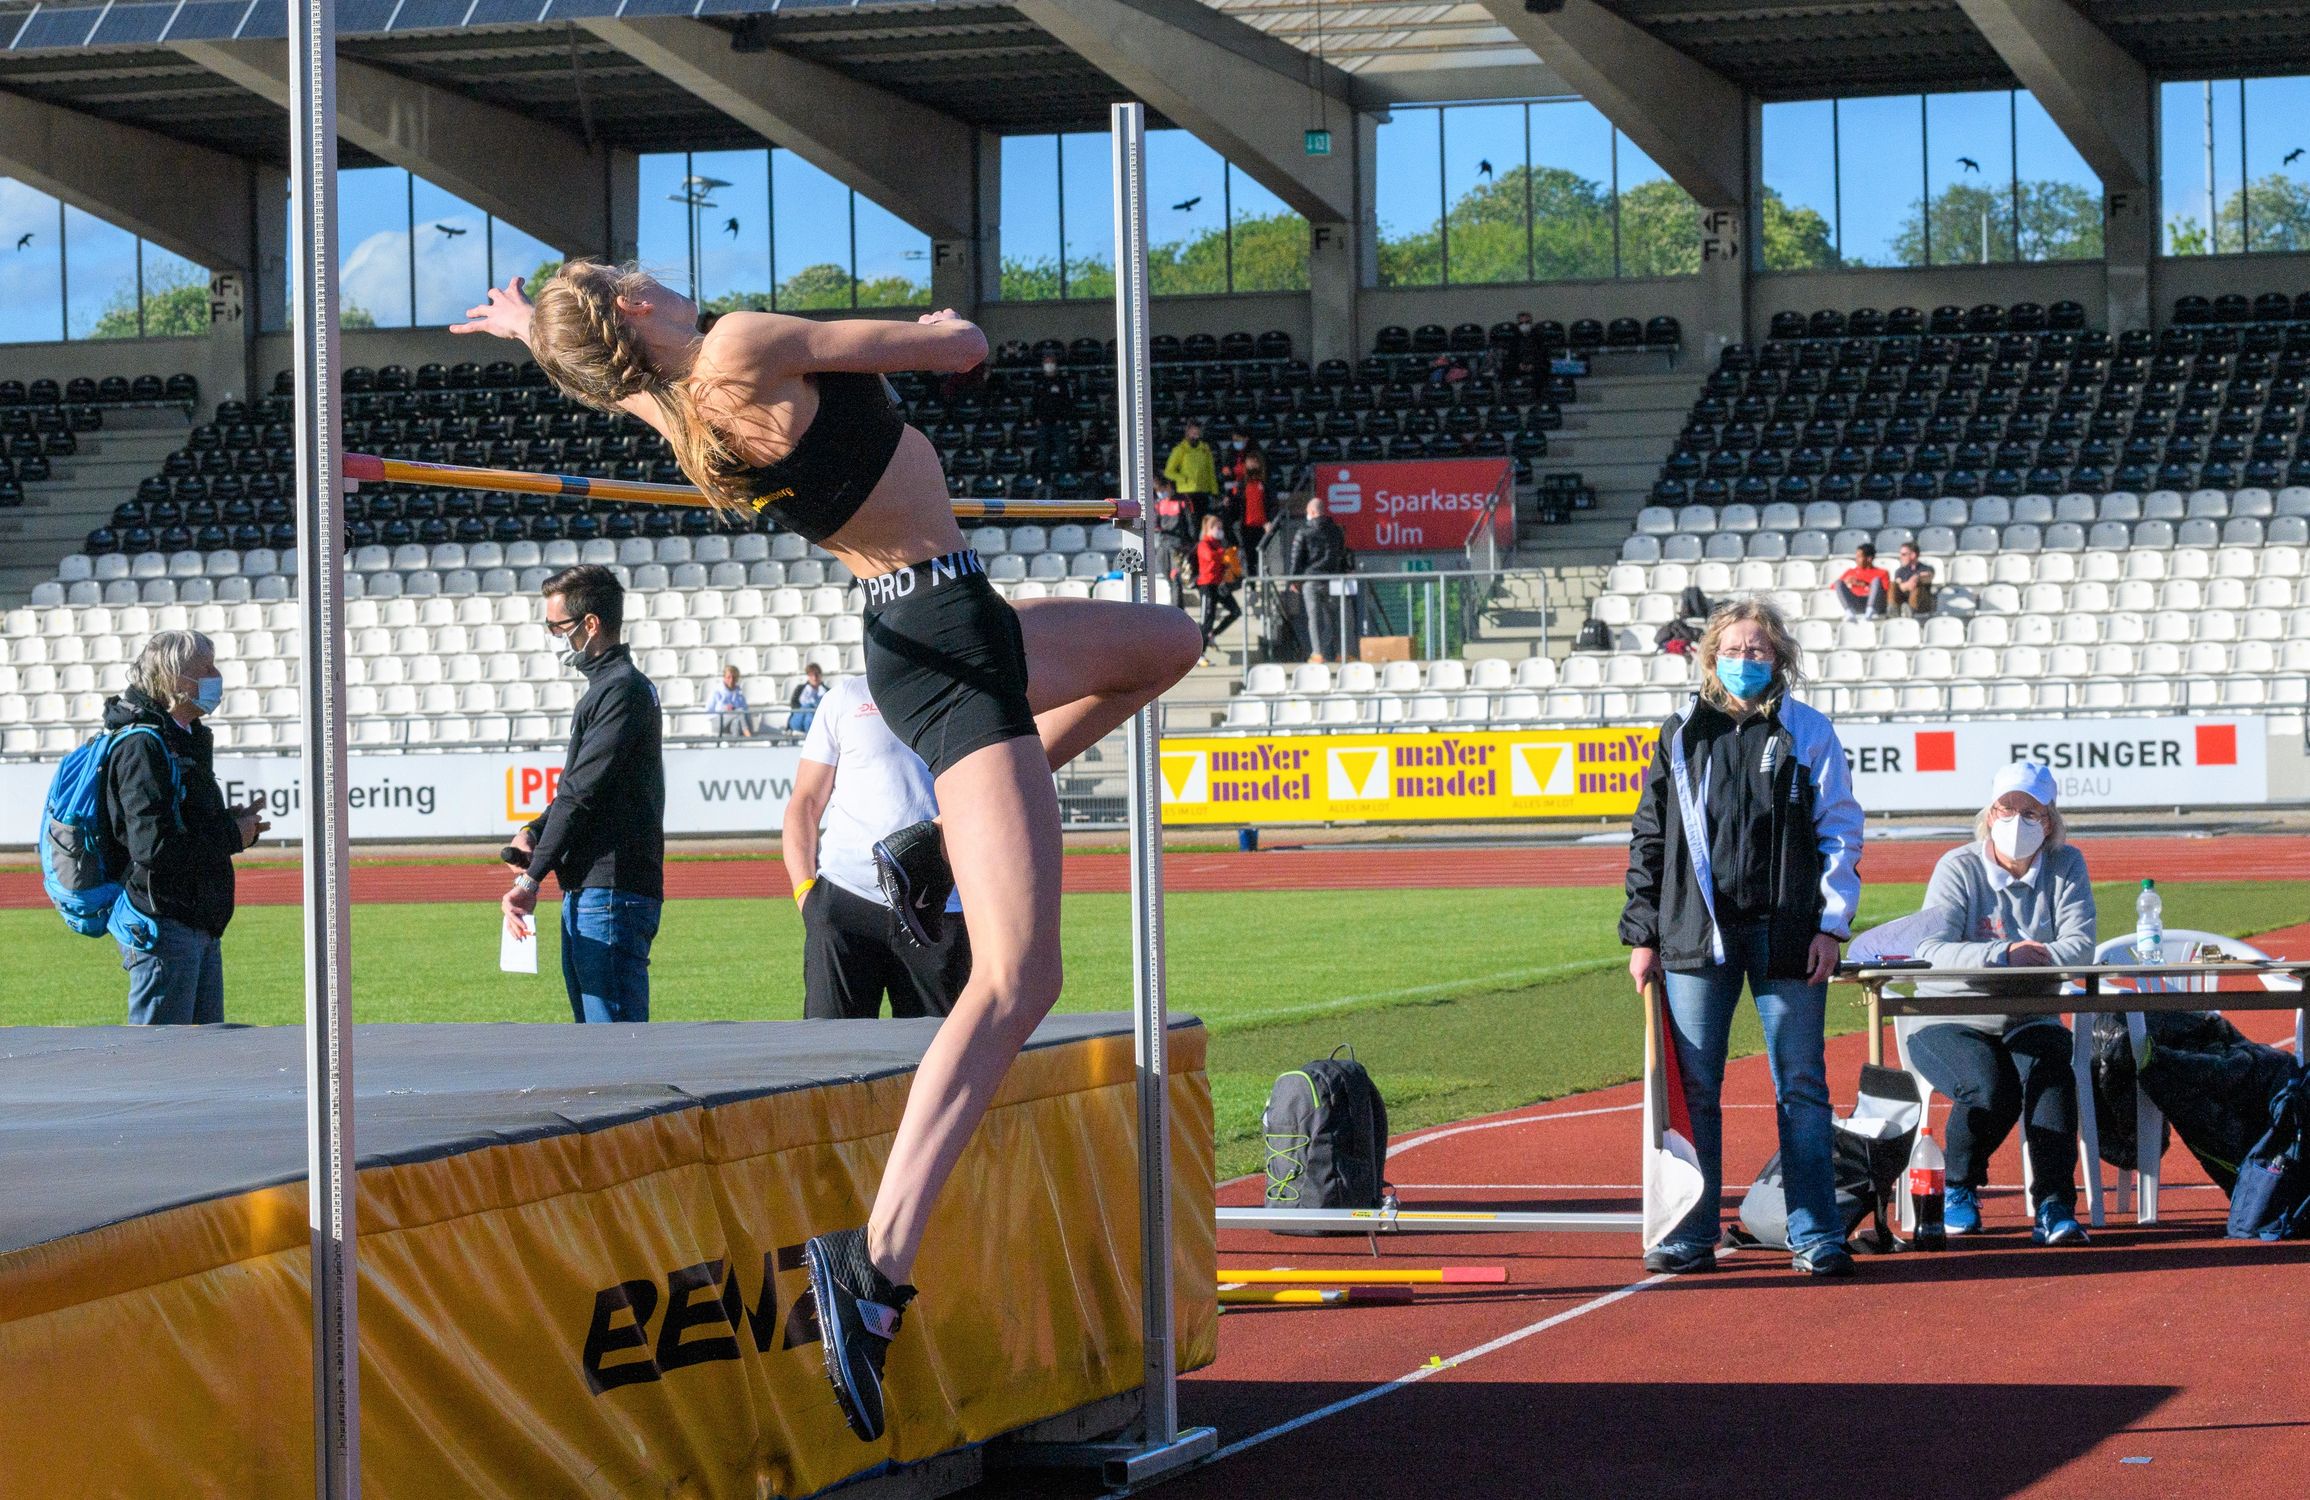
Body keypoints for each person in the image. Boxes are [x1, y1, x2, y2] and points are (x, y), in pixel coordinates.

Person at [458, 264, 1197, 1443]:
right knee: (1019, 980)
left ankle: (939, 839)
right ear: (630, 308)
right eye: (628, 272)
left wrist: (529, 336)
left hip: (948, 623)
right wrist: (943, 322)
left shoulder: (689, 400)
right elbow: (956, 348)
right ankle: (874, 1267)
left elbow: (621, 391)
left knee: (1168, 643)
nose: (654, 272)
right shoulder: (742, 345)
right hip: (945, 637)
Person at [1621, 598, 1865, 1278]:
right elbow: (1650, 837)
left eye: (1757, 649)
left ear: (1779, 656)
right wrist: (1643, 934)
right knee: (1695, 1090)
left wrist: (1830, 925)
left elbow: (1840, 829)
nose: (1745, 659)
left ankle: (1816, 1234)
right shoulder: (1681, 732)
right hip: (1696, 935)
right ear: (1710, 657)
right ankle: (1690, 1233)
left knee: (1802, 1086)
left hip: (1787, 933)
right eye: (1733, 649)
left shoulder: (1807, 730)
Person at [1906, 761, 2092, 1246]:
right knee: (1990, 1087)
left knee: (2053, 1069)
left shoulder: (2067, 865)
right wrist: (2003, 954)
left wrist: (2036, 957)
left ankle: (2054, 1205)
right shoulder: (1958, 867)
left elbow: (2081, 947)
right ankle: (1959, 1187)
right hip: (1949, 1015)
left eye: (2031, 813)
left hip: (2030, 1014)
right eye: (2007, 809)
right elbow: (1930, 950)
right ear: (1990, 815)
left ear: (2049, 822)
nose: (2017, 822)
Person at [498, 563, 666, 1025]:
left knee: (615, 1047)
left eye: (559, 627)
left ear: (590, 624)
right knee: (596, 1042)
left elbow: (580, 793)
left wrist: (531, 879)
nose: (556, 638)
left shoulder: (621, 690)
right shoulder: (610, 689)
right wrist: (535, 831)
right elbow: (578, 789)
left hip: (610, 891)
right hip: (592, 889)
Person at [100, 630, 269, 1025]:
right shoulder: (143, 746)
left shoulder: (183, 738)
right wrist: (232, 835)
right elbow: (154, 847)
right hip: (165, 923)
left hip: (197, 920)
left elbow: (181, 824)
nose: (217, 676)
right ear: (175, 678)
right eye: (206, 668)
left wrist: (230, 823)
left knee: (205, 1054)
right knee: (160, 1055)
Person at [785, 675, 970, 1020]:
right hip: (845, 901)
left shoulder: (964, 696)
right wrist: (806, 894)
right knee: (832, 1050)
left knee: (937, 1048)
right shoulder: (846, 697)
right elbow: (805, 801)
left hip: (938, 906)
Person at [1287, 494, 1352, 663]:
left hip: (1311, 581)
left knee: (1314, 618)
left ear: (1312, 512)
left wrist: (1294, 580)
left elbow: (1296, 558)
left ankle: (1317, 654)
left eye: (1307, 512)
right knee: (1336, 618)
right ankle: (1341, 653)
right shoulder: (1337, 531)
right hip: (1333, 580)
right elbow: (1342, 554)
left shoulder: (1303, 532)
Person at [1194, 513, 1242, 663]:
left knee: (1235, 611)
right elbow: (1209, 556)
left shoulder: (1220, 544)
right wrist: (1224, 554)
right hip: (1207, 585)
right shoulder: (1204, 544)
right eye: (1217, 528)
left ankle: (1213, 634)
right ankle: (1199, 653)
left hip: (1219, 585)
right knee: (1207, 620)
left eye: (1221, 528)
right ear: (1209, 529)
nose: (1220, 531)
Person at [1027, 351, 1075, 481]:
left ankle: (1065, 480)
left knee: (1062, 454)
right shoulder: (1038, 382)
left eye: (1051, 362)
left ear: (1056, 364)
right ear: (1043, 365)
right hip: (1043, 424)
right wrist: (1035, 418)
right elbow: (1033, 402)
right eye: (1046, 362)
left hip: (1059, 425)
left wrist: (1063, 419)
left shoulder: (1063, 382)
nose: (1049, 365)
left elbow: (1069, 402)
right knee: (1043, 455)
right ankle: (1045, 481)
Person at [1163, 417, 1218, 525]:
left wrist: (1214, 491)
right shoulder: (1180, 449)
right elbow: (1168, 472)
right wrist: (1184, 479)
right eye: (1193, 431)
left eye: (1197, 431)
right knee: (1193, 521)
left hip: (1203, 491)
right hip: (1187, 492)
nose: (1195, 434)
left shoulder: (1205, 449)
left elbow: (1211, 471)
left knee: (1204, 522)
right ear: (1187, 432)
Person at [1832, 543, 1891, 620]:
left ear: (1869, 559)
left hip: (1875, 603)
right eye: (1856, 556)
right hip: (1857, 602)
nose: (1856, 559)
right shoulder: (1851, 572)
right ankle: (1849, 613)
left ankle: (1869, 612)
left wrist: (1863, 584)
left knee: (1876, 580)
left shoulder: (1882, 572)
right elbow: (1833, 587)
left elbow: (1884, 590)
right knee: (1838, 582)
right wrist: (1846, 582)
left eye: (1859, 557)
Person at [709, 664, 753, 739]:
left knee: (736, 722)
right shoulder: (717, 692)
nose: (731, 680)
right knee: (739, 711)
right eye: (728, 677)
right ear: (724, 678)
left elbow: (746, 712)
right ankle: (748, 735)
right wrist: (724, 709)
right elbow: (709, 712)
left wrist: (733, 712)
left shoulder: (740, 695)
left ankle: (735, 743)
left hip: (731, 725)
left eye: (734, 677)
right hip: (718, 723)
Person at [1892, 541, 1936, 616]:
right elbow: (1899, 587)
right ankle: (1893, 609)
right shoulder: (1899, 571)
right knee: (1892, 585)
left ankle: (1911, 609)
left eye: (1903, 554)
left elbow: (1928, 576)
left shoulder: (1926, 568)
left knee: (1917, 587)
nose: (1900, 557)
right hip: (1904, 600)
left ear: (1913, 555)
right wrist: (1909, 584)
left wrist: (1916, 577)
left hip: (1922, 603)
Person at [789, 663, 828, 733]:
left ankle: (809, 733)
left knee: (810, 715)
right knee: (809, 708)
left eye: (817, 674)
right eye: (811, 675)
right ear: (808, 676)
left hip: (818, 719)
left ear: (820, 675)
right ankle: (811, 734)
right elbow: (794, 705)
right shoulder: (800, 688)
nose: (814, 678)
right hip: (799, 719)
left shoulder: (827, 691)